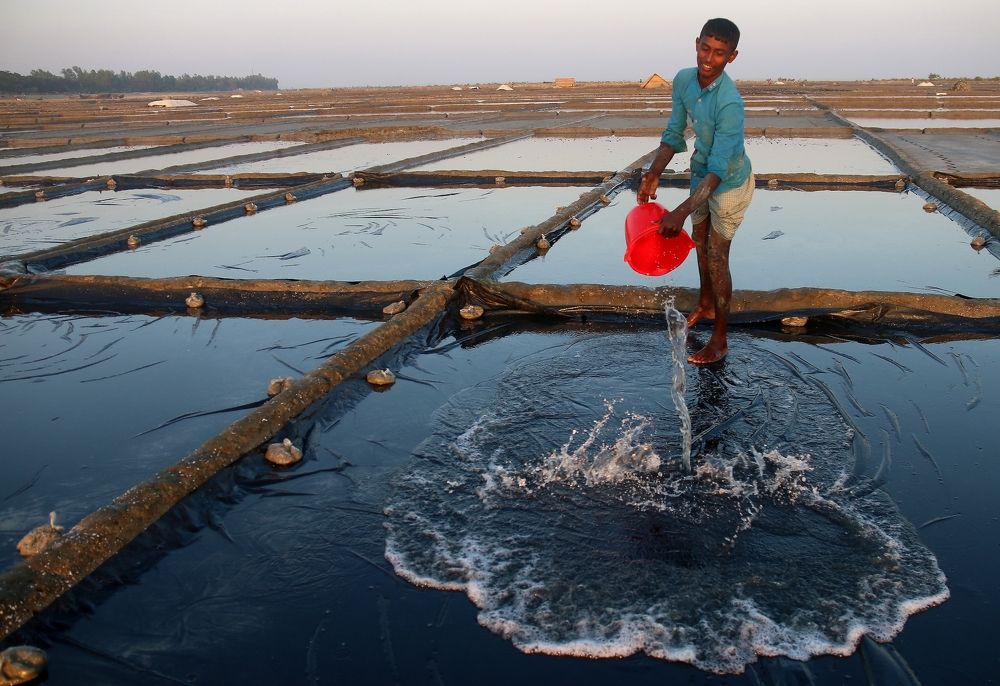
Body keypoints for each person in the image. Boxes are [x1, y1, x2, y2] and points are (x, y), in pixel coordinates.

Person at [637, 17, 753, 365]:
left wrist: (681, 209)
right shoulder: (684, 80)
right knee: (699, 245)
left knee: (718, 256)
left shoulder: (730, 102)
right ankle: (705, 304)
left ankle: (720, 339)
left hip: (728, 182)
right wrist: (653, 172)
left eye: (719, 53)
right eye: (706, 48)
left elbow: (720, 169)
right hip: (701, 171)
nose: (709, 58)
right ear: (696, 42)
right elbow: (675, 131)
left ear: (732, 57)